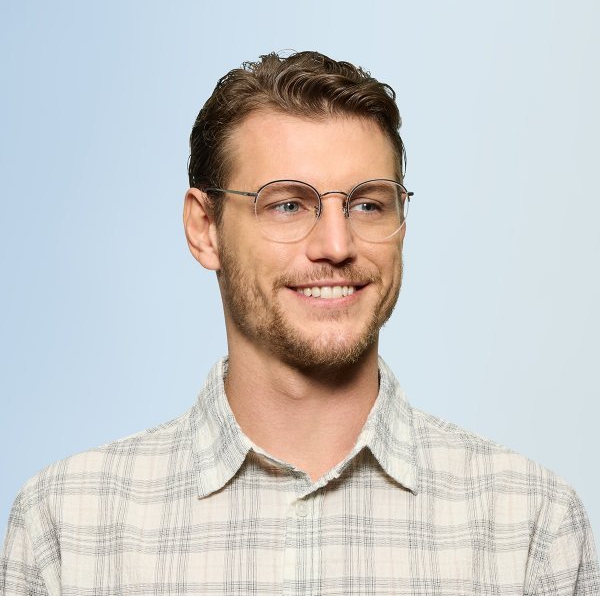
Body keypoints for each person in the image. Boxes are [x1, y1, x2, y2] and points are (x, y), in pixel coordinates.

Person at [1, 51, 598, 595]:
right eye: (287, 204)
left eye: (368, 204)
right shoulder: (68, 529)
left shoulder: (530, 527)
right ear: (204, 229)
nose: (336, 245)